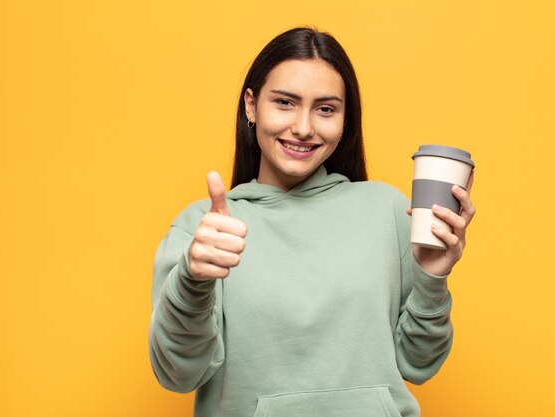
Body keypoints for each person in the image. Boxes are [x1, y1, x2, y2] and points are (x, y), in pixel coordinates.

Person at [149, 27, 476, 417]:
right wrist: (191, 280)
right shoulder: (205, 229)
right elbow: (178, 374)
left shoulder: (388, 210)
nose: (304, 127)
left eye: (325, 109)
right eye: (285, 103)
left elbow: (418, 363)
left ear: (345, 119)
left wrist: (432, 279)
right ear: (251, 106)